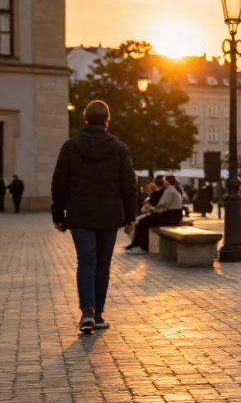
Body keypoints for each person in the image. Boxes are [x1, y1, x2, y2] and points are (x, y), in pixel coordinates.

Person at [51, 100, 138, 334]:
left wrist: (58, 214)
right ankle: (98, 314)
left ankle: (87, 312)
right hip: (109, 214)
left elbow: (59, 183)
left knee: (86, 261)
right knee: (103, 264)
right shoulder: (119, 148)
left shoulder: (70, 146)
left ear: (85, 119)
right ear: (107, 120)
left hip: (80, 212)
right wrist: (131, 216)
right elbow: (129, 185)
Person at [126, 175, 184, 253]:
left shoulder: (169, 191)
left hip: (169, 217)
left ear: (167, 182)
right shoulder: (174, 190)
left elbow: (161, 205)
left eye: (164, 181)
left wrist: (150, 208)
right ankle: (138, 245)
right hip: (174, 216)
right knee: (144, 221)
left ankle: (142, 247)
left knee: (143, 222)